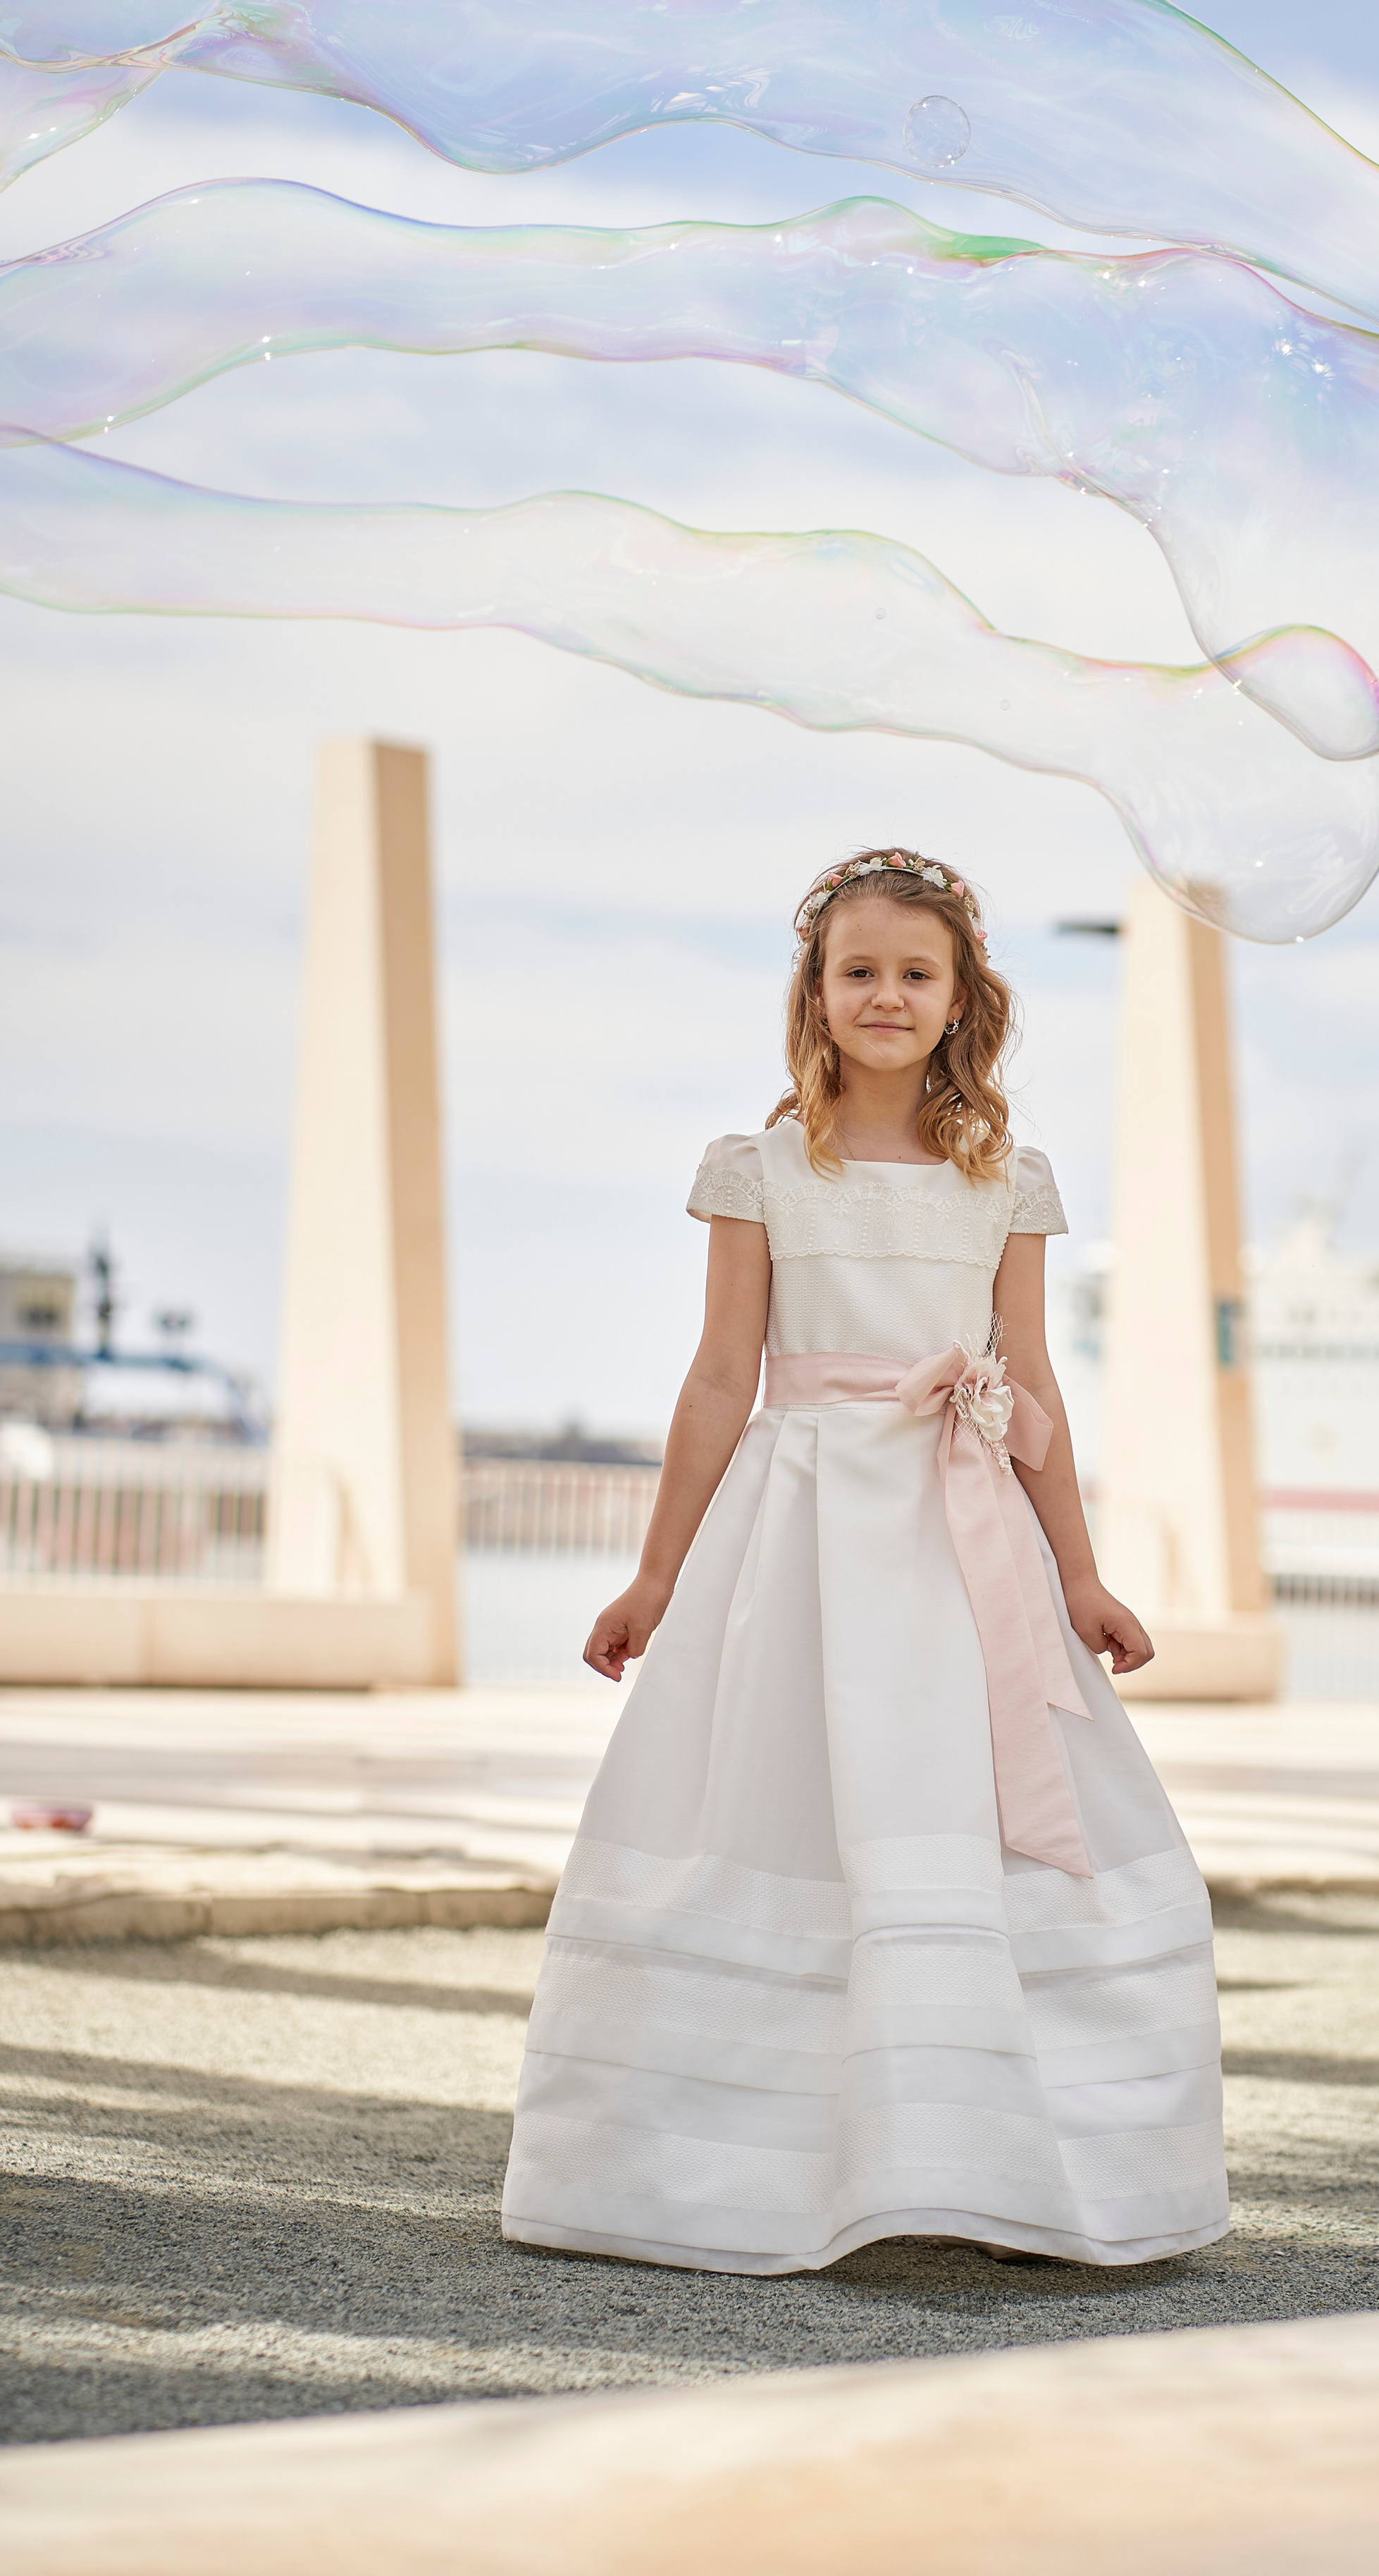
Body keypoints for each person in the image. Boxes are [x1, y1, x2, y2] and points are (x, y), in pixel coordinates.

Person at [502, 848, 1228, 2272]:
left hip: (963, 1545)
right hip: (800, 1540)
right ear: (814, 994)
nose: (884, 994)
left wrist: (1078, 1578)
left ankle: (989, 2158)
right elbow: (719, 1380)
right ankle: (745, 2168)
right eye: (857, 971)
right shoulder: (761, 1170)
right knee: (785, 1811)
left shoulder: (1003, 1178)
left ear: (962, 1001)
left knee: (962, 1822)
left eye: (915, 973)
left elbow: (1031, 1391)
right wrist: (653, 1577)